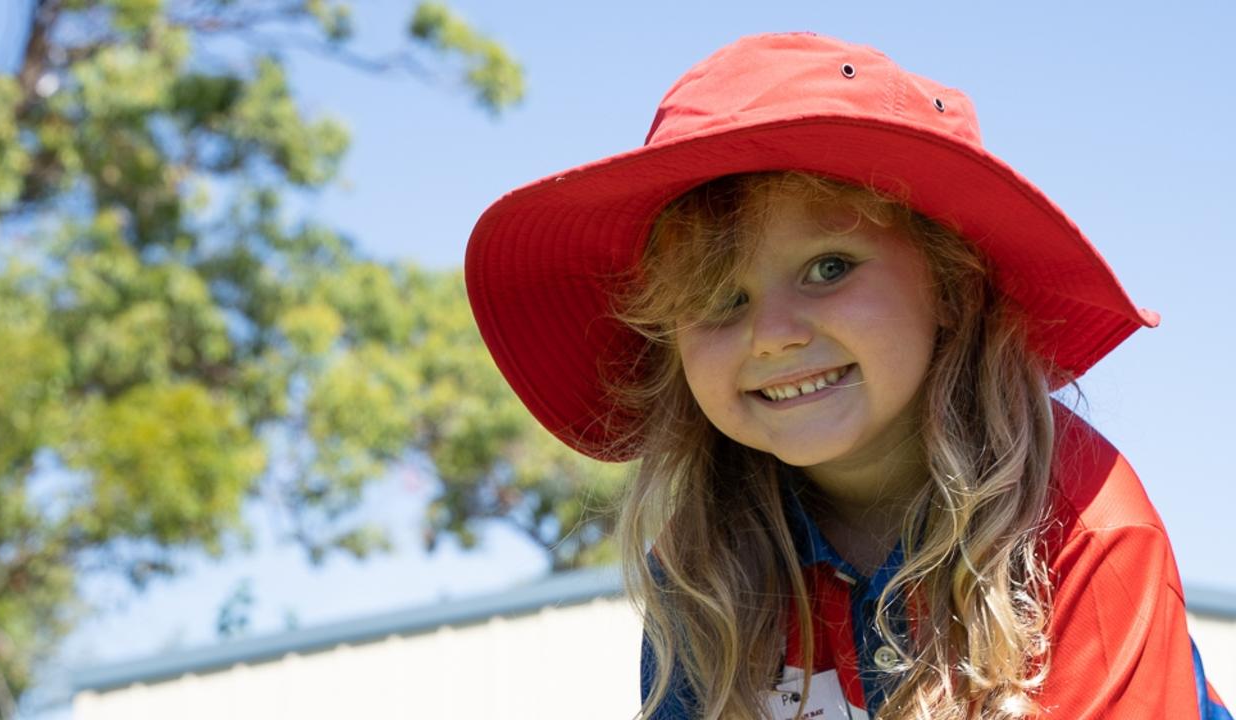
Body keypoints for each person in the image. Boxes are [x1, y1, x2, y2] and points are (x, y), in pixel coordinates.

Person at [463, 32, 1232, 719]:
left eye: (828, 268)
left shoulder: (1083, 528)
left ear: (952, 285)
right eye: (719, 301)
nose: (771, 336)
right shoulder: (699, 565)